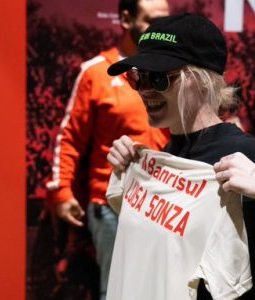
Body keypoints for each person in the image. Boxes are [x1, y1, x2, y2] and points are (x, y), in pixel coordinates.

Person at [106, 13, 255, 299]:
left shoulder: (244, 158)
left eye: (159, 78)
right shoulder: (155, 162)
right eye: (139, 77)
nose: (146, 89)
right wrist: (130, 171)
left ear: (201, 80)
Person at [46, 1, 170, 299]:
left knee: (166, 287)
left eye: (166, 21)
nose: (161, 29)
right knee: (116, 290)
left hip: (169, 202)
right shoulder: (96, 73)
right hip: (112, 204)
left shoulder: (173, 71)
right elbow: (70, 137)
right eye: (152, 21)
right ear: (126, 19)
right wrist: (62, 190)